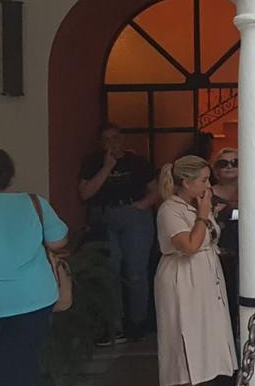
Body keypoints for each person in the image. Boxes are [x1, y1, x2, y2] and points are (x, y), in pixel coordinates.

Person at [0, 147, 69, 386]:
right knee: (23, 365)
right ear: (9, 176)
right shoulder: (33, 203)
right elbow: (58, 241)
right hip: (32, 297)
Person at [154, 155, 237, 386]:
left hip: (206, 271)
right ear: (187, 182)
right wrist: (202, 216)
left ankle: (214, 374)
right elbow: (189, 245)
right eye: (203, 180)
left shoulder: (197, 203)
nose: (208, 186)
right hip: (184, 275)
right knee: (188, 328)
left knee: (210, 328)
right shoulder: (170, 210)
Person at [79, 122, 159, 344]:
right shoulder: (93, 162)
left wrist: (142, 205)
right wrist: (106, 167)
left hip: (134, 214)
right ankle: (113, 326)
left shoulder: (138, 162)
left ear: (122, 138)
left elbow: (156, 190)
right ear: (100, 142)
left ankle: (137, 322)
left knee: (136, 272)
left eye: (115, 138)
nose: (111, 143)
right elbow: (85, 193)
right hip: (104, 216)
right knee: (109, 271)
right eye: (106, 139)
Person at [210, 147, 241, 332]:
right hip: (219, 253)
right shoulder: (207, 192)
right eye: (223, 163)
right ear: (215, 170)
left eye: (235, 163)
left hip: (246, 251)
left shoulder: (251, 189)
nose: (229, 167)